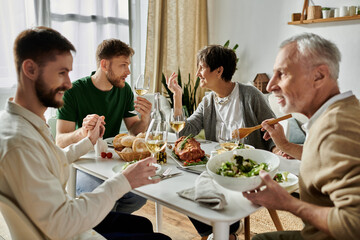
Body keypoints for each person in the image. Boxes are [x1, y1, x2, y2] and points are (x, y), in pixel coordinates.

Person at [0, 26, 171, 240]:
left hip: (69, 221)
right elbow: (62, 224)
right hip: (70, 231)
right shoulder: (18, 143)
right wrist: (122, 181)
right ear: (31, 70)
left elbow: (49, 161)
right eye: (61, 73)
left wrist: (88, 141)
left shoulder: (24, 124)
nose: (69, 84)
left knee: (144, 225)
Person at [244, 33, 360, 240]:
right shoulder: (338, 113)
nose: (270, 86)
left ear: (319, 76)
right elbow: (325, 159)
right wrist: (285, 145)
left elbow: (354, 225)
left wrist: (288, 204)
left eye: (282, 74)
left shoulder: (336, 126)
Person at [166, 45, 277, 239]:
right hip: (219, 167)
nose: (198, 73)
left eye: (202, 67)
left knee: (197, 186)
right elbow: (183, 131)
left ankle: (226, 231)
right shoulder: (208, 101)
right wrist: (177, 96)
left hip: (246, 169)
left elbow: (272, 128)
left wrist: (276, 149)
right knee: (184, 188)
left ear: (219, 70)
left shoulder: (250, 95)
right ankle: (227, 232)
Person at [56, 39, 152, 213]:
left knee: (138, 196)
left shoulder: (124, 90)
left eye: (128, 65)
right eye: (123, 65)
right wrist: (83, 132)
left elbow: (134, 130)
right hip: (81, 164)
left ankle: (107, 227)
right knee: (105, 199)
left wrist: (145, 118)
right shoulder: (73, 92)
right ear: (105, 64)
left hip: (109, 161)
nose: (128, 71)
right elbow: (60, 141)